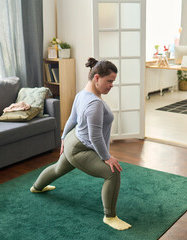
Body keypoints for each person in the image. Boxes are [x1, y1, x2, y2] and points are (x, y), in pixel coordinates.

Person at [30, 57, 131, 231]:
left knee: (57, 169)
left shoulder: (82, 94)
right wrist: (107, 157)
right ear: (97, 78)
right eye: (110, 81)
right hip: (80, 149)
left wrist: (63, 139)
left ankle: (37, 187)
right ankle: (110, 216)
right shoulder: (94, 104)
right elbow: (95, 136)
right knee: (112, 173)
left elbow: (72, 119)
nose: (112, 85)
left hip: (72, 140)